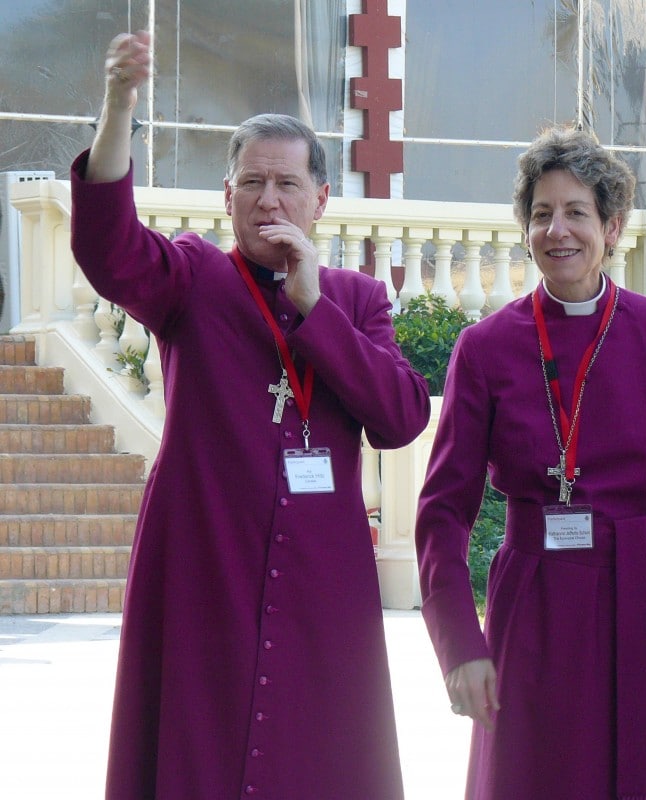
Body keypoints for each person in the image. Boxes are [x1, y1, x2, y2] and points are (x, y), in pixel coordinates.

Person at [71, 32, 430, 799]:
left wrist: (315, 311)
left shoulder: (357, 299)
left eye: (288, 185)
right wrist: (118, 109)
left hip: (321, 574)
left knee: (319, 750)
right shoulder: (193, 277)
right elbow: (108, 250)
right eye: (252, 184)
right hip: (205, 561)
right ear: (225, 196)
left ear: (321, 199)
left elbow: (400, 416)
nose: (270, 200)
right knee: (197, 743)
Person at [415, 125, 646, 800]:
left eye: (577, 212)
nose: (559, 230)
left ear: (612, 228)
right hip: (535, 605)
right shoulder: (486, 347)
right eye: (542, 213)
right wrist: (459, 642)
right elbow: (442, 510)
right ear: (526, 228)